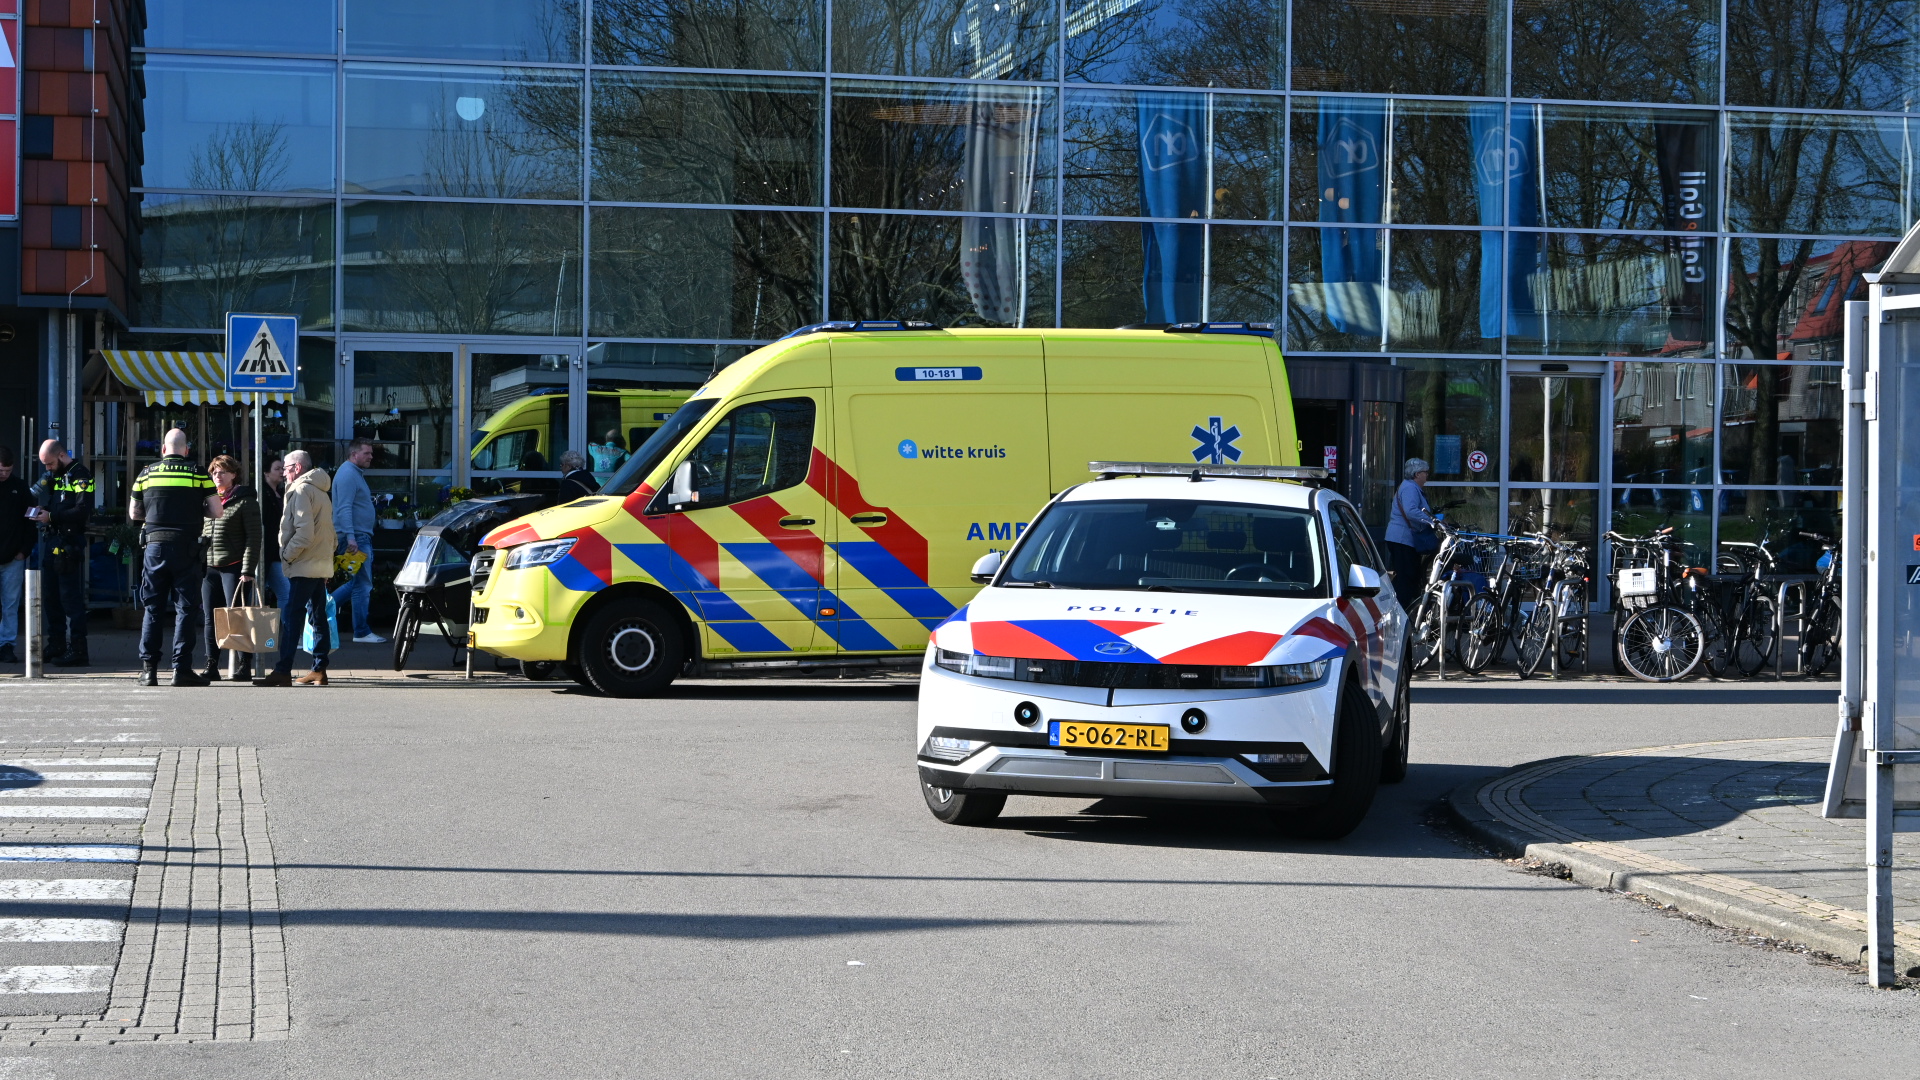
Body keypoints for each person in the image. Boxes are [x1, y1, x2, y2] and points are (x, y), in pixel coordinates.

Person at [128, 429, 222, 686]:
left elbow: (135, 513)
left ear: (163, 450)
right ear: (186, 451)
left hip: (155, 548)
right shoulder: (198, 473)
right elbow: (217, 511)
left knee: (153, 609)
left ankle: (149, 671)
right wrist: (194, 508)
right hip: (186, 549)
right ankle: (181, 670)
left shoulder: (145, 474)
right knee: (185, 610)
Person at [256, 450, 333, 687]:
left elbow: (304, 533)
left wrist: (287, 556)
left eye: (287, 468)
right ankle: (319, 669)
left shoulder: (300, 490)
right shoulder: (320, 490)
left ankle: (283, 670)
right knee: (318, 617)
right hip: (320, 563)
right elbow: (330, 531)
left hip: (303, 564)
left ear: (297, 468)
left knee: (292, 616)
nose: (284, 472)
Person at [29, 439, 95, 667]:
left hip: (69, 544)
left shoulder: (81, 476)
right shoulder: (58, 476)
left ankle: (78, 649)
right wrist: (45, 512)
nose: (47, 468)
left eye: (48, 464)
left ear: (60, 456)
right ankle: (56, 644)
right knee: (51, 597)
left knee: (70, 598)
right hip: (53, 540)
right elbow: (59, 506)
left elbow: (82, 510)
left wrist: (53, 517)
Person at [199, 455, 262, 683]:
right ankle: (211, 664)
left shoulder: (245, 501)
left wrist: (247, 569)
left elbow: (253, 538)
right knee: (211, 618)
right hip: (210, 568)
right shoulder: (210, 500)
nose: (217, 476)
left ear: (234, 475)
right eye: (214, 472)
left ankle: (245, 665)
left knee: (238, 617)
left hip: (235, 567)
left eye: (223, 472)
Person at [329, 438, 385, 644]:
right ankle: (360, 631)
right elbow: (343, 508)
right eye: (367, 453)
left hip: (358, 536)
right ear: (354, 455)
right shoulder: (348, 475)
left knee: (358, 583)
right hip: (356, 538)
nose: (371, 456)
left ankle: (320, 613)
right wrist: (351, 537)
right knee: (362, 584)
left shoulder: (352, 473)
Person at [1383, 457, 1437, 609]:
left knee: (1408, 575)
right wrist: (1432, 521)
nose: (1427, 476)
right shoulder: (1410, 488)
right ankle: (1399, 609)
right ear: (1417, 474)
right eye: (1425, 472)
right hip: (1402, 539)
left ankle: (1401, 607)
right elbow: (1411, 511)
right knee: (1407, 577)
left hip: (1404, 539)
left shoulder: (1411, 488)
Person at [0, 447, 35, 665]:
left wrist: (24, 551)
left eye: (7, 470)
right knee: (9, 604)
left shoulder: (20, 487)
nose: (4, 474)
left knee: (10, 604)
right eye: (1, 470)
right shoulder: (20, 487)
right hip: (14, 555)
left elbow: (30, 520)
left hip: (13, 557)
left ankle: (6, 645)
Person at [261, 456, 289, 606]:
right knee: (285, 593)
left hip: (277, 551)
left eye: (283, 469)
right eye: (277, 469)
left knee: (285, 593)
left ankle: (287, 627)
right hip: (267, 551)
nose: (281, 472)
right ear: (266, 473)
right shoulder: (261, 493)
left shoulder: (281, 492)